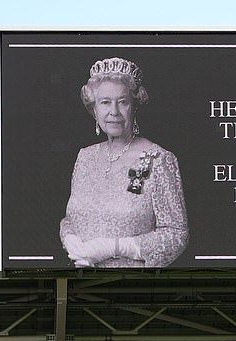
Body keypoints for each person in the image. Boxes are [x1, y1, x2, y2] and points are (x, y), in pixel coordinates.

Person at [60, 57, 188, 268]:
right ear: (94, 109)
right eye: (105, 102)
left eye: (122, 102)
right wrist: (69, 239)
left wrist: (116, 247)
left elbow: (176, 236)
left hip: (133, 288)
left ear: (134, 106)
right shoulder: (84, 157)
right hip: (79, 286)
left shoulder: (158, 159)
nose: (114, 112)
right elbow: (70, 219)